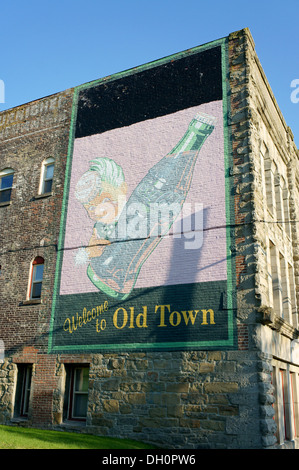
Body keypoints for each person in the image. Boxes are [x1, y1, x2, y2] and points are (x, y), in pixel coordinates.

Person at [74, 157, 127, 264]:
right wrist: (89, 252)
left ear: (122, 189)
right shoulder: (98, 229)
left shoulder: (135, 215)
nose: (100, 211)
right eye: (91, 208)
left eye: (106, 200)